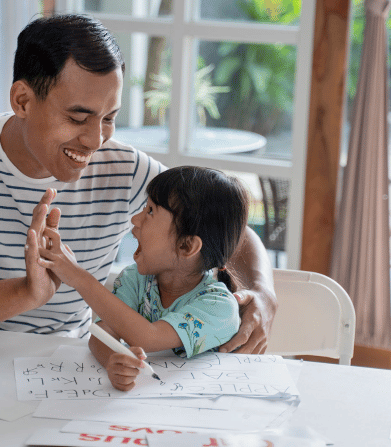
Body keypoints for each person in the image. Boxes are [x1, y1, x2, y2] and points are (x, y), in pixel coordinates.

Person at [0, 13, 277, 447]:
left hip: (62, 376)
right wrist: (25, 293)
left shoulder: (125, 169)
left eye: (109, 118)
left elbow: (229, 230)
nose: (95, 139)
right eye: (78, 117)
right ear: (22, 99)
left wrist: (263, 291)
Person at [38, 166, 250, 391]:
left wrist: (80, 278)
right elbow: (102, 333)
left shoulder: (219, 306)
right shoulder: (135, 280)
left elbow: (149, 337)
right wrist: (114, 359)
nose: (135, 219)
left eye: (150, 211)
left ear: (187, 245)